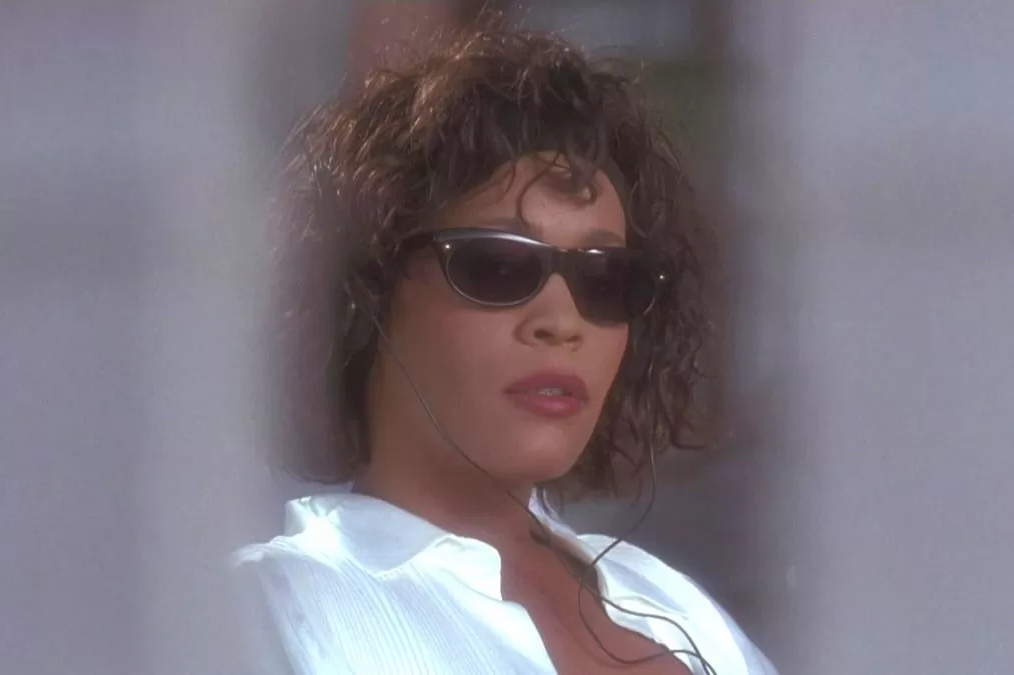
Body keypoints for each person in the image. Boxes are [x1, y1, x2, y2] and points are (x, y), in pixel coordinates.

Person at [234, 24, 777, 675]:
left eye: (606, 279)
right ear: (364, 290)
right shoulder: (271, 606)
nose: (562, 321)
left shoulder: (675, 604)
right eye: (496, 265)